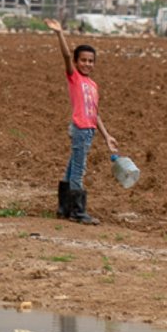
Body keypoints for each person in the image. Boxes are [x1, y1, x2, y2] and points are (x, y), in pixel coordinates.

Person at [46, 19, 116, 224]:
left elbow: (95, 113)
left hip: (89, 130)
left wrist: (107, 136)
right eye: (83, 60)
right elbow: (66, 55)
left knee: (72, 167)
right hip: (80, 129)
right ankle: (77, 211)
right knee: (79, 168)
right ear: (77, 62)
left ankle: (64, 208)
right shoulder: (74, 78)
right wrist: (60, 33)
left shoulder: (93, 85)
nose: (87, 64)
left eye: (91, 61)